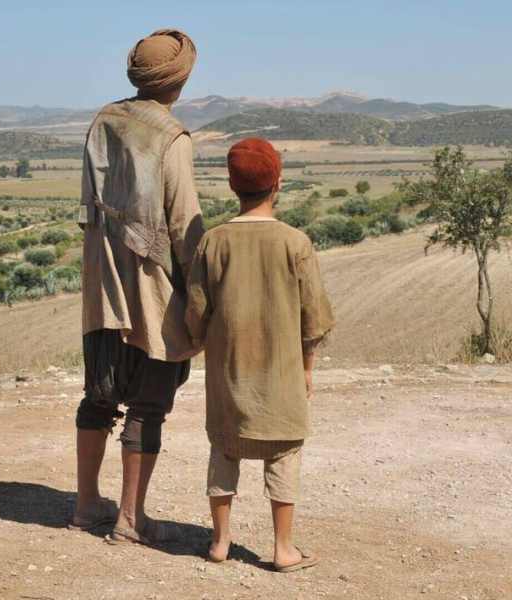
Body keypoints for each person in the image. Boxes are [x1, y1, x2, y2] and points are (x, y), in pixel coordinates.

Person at [72, 29, 205, 546]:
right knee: (149, 403)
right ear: (181, 79)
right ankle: (131, 517)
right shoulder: (171, 138)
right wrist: (200, 290)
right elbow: (185, 226)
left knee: (98, 395)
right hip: (151, 284)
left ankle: (86, 505)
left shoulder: (102, 120)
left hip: (101, 278)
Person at [185, 138, 335, 572]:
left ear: (233, 187)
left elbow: (196, 312)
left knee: (223, 451)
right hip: (282, 378)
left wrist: (198, 344)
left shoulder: (213, 242)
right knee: (284, 454)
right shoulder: (295, 242)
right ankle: (283, 548)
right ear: (277, 185)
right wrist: (307, 370)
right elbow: (314, 318)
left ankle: (219, 542)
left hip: (229, 377)